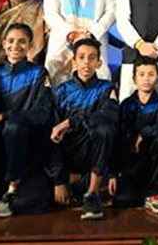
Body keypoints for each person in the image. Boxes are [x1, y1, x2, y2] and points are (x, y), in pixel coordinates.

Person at [0, 23, 55, 217]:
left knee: (26, 205)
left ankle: (13, 188)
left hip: (28, 155)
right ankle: (4, 188)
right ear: (3, 43)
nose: (15, 46)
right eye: (11, 41)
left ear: (30, 45)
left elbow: (42, 113)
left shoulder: (38, 73)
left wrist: (2, 116)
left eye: (22, 42)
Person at [49, 38, 118, 220]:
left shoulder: (107, 88)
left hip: (95, 159)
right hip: (68, 157)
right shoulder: (61, 91)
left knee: (104, 128)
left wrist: (70, 122)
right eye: (82, 57)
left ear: (99, 62)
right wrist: (58, 180)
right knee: (33, 200)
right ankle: (74, 182)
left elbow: (110, 117)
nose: (86, 62)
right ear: (74, 61)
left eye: (92, 58)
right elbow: (52, 136)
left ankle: (92, 194)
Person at [113, 58, 158, 213]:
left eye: (151, 74)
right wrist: (112, 174)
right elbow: (118, 139)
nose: (146, 78)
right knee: (124, 200)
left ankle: (153, 192)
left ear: (157, 78)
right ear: (134, 78)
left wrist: (145, 132)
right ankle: (142, 191)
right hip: (133, 162)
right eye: (142, 74)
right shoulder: (126, 105)